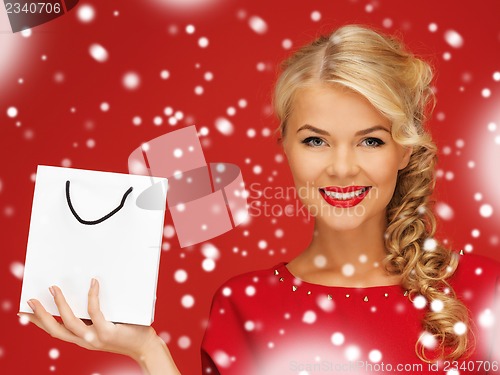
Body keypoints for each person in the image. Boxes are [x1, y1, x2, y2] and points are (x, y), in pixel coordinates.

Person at [20, 24, 500, 375]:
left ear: (404, 150)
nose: (341, 166)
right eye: (315, 140)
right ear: (285, 146)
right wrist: (146, 350)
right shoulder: (244, 305)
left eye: (370, 140)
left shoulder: (487, 291)